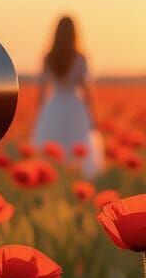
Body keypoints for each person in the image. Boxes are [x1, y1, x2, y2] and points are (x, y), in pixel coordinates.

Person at [33, 16, 104, 177]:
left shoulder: (48, 58)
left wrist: (40, 118)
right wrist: (93, 117)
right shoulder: (80, 58)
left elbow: (42, 92)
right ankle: (74, 178)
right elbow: (87, 92)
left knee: (52, 151)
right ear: (74, 34)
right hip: (75, 108)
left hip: (54, 107)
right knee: (75, 150)